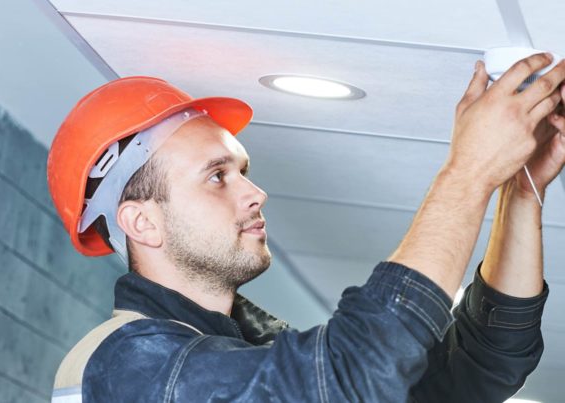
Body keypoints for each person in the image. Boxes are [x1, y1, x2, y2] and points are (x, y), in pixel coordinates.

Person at [47, 53, 565, 402]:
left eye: (242, 172)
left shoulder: (241, 351)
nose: (254, 193)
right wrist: (468, 172)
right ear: (143, 221)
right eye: (216, 177)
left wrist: (520, 190)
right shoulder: (123, 365)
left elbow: (474, 371)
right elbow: (356, 374)